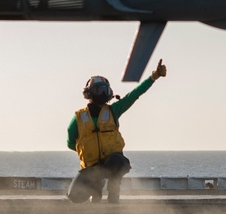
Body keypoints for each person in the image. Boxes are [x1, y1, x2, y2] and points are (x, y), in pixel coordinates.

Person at [66, 60, 167, 203]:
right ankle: (96, 185)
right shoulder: (78, 118)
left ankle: (113, 192)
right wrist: (88, 151)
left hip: (112, 162)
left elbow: (134, 94)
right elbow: (71, 143)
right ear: (89, 93)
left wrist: (154, 77)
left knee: (117, 161)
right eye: (98, 90)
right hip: (91, 167)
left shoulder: (114, 110)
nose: (101, 94)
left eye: (104, 91)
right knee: (74, 196)